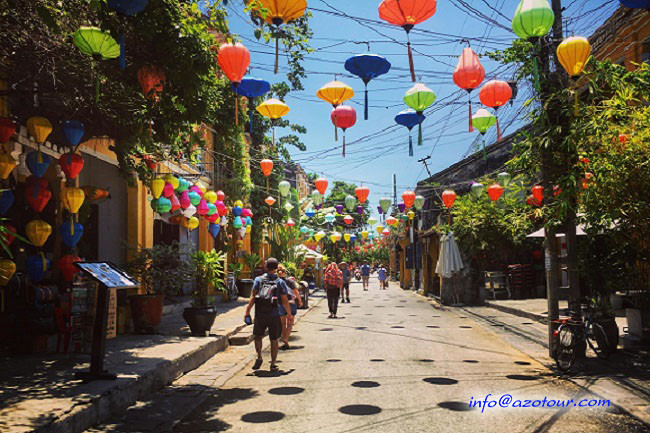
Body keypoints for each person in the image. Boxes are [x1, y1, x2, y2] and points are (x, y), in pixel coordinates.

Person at [244, 258, 292, 371]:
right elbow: (285, 300)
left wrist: (247, 311)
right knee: (274, 339)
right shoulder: (280, 282)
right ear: (276, 268)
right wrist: (289, 314)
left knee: (258, 336)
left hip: (260, 313)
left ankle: (259, 356)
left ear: (266, 267)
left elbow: (253, 296)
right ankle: (273, 363)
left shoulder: (258, 280)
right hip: (275, 314)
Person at [277, 264, 303, 350]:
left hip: (280, 304)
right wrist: (299, 300)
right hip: (291, 303)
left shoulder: (276, 281)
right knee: (290, 323)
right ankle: (286, 339)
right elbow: (296, 292)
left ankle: (284, 339)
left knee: (283, 323)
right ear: (284, 272)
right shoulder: (290, 281)